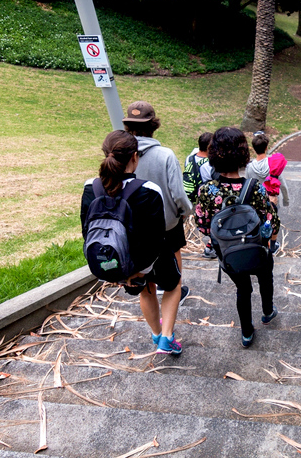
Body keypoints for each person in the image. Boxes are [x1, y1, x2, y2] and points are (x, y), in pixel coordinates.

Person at [80, 130, 183, 354]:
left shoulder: (91, 188)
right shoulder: (148, 190)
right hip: (151, 258)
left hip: (118, 259)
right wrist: (143, 270)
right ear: (134, 157)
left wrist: (125, 272)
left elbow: (87, 231)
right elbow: (156, 237)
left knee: (146, 291)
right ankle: (166, 338)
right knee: (173, 286)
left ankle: (156, 334)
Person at [195, 127, 280, 348]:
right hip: (257, 250)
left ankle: (246, 332)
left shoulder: (206, 191)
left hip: (230, 255)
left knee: (243, 289)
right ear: (243, 154)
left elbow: (203, 227)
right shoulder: (257, 189)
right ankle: (268, 311)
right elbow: (272, 222)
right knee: (265, 277)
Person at [123, 101, 192, 302]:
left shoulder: (122, 155)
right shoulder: (166, 155)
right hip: (167, 223)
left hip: (135, 226)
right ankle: (174, 290)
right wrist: (186, 211)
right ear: (154, 125)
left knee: (146, 286)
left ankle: (153, 295)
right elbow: (178, 194)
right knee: (174, 256)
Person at [183, 132, 217, 259]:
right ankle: (210, 245)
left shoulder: (189, 158)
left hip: (190, 196)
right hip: (204, 198)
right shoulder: (209, 164)